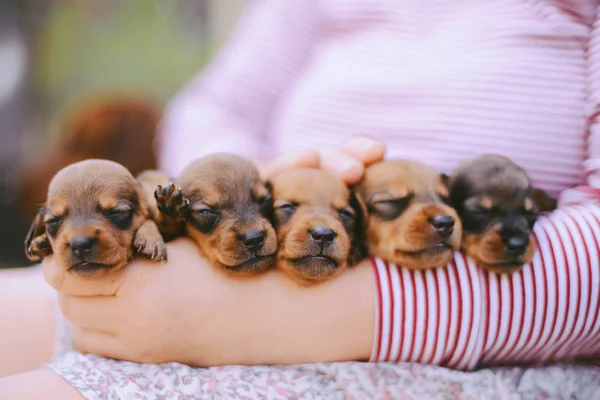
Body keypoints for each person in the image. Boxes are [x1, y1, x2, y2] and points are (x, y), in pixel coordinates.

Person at [1, 0, 600, 398]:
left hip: (480, 336)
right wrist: (252, 187)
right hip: (217, 271)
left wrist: (278, 318)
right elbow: (214, 107)